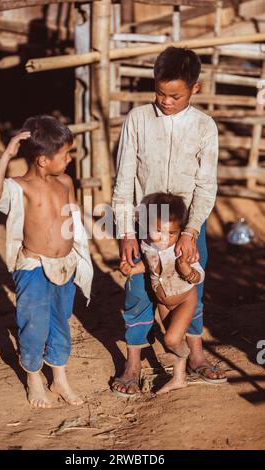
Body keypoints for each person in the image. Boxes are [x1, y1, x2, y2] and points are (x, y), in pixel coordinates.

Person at [112, 46, 227, 397]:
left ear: (195, 88)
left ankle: (195, 355)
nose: (165, 101)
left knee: (190, 287)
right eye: (159, 93)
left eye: (174, 95)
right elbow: (124, 179)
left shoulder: (205, 127)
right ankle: (133, 364)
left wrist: (191, 231)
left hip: (186, 223)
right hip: (145, 220)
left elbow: (206, 186)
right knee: (136, 291)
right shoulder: (137, 119)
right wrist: (126, 232)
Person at [0, 115, 93, 408]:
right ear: (43, 160)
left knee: (61, 321)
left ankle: (59, 377)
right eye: (64, 154)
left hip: (65, 266)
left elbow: (74, 219)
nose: (69, 159)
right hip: (34, 268)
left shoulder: (66, 182)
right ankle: (33, 376)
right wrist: (8, 152)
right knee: (34, 324)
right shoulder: (21, 187)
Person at [120, 193, 204, 395]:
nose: (164, 239)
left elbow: (198, 276)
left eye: (171, 234)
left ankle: (187, 356)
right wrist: (132, 270)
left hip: (184, 298)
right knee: (171, 338)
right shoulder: (147, 245)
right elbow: (149, 267)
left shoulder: (182, 250)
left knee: (172, 340)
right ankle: (179, 377)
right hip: (164, 302)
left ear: (181, 232)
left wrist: (187, 271)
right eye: (157, 231)